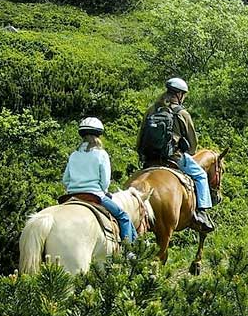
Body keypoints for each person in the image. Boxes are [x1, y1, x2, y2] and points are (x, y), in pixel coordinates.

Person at [137, 77, 214, 231]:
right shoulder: (181, 113)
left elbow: (140, 138)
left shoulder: (152, 110)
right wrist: (187, 151)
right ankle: (201, 212)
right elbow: (193, 145)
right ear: (179, 95)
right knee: (200, 175)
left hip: (150, 159)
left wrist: (143, 155)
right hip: (174, 157)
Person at [62, 117, 137, 242]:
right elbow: (105, 182)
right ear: (98, 136)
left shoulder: (74, 155)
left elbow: (65, 180)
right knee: (123, 217)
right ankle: (127, 252)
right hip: (95, 195)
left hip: (72, 196)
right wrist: (104, 191)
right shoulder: (101, 154)